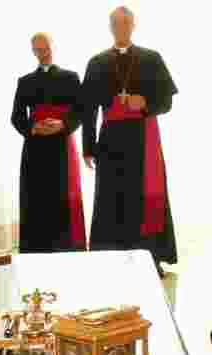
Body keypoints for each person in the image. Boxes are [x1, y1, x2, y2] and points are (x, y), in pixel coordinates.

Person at [81, 6, 178, 272]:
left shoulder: (151, 58)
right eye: (115, 24)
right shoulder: (97, 62)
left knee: (143, 198)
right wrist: (88, 148)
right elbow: (87, 109)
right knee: (110, 199)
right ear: (109, 27)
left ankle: (150, 258)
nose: (120, 28)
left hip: (143, 139)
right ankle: (110, 258)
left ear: (133, 25)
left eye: (124, 23)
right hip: (110, 141)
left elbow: (166, 102)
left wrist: (144, 102)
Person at [11, 33, 86, 253]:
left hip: (62, 147)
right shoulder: (24, 81)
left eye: (46, 48)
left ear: (53, 47)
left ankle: (66, 250)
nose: (43, 53)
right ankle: (36, 251)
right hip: (35, 149)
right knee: (35, 200)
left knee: (62, 200)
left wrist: (62, 125)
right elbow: (16, 117)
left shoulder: (71, 77)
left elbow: (80, 112)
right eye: (38, 49)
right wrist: (33, 128)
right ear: (33, 51)